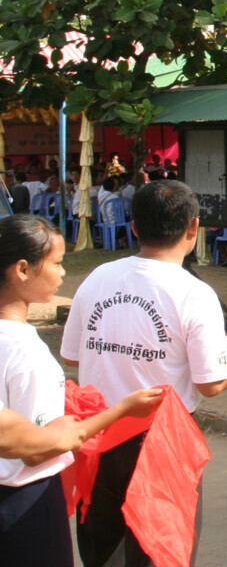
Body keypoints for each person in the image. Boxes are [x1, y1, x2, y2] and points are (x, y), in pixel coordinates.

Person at [60, 181, 227, 566]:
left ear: (133, 228)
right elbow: (210, 382)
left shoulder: (97, 278)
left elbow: (74, 357)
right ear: (194, 228)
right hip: (159, 440)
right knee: (159, 548)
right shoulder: (193, 293)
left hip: (99, 431)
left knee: (102, 548)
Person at [0, 215, 162, 564]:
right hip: (24, 500)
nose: (61, 273)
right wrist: (122, 409)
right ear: (23, 270)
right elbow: (41, 446)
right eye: (57, 263)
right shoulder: (23, 349)